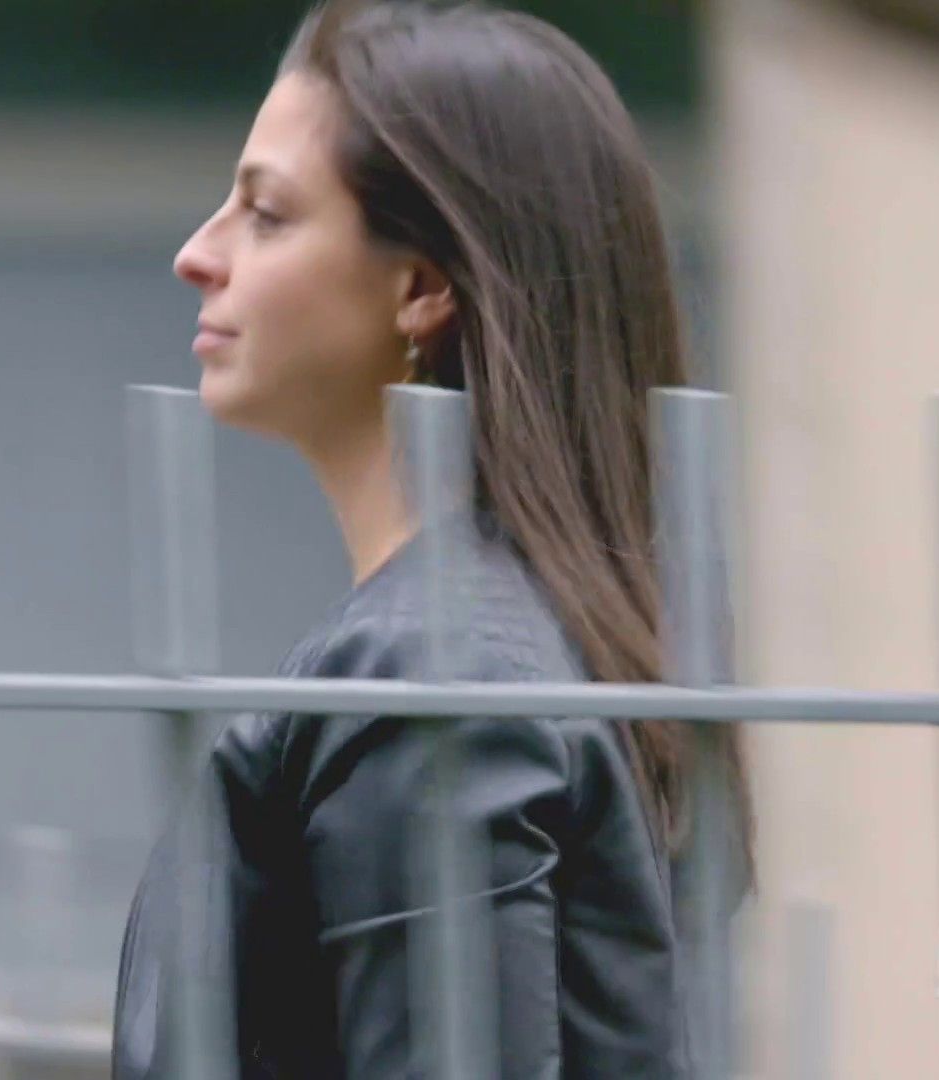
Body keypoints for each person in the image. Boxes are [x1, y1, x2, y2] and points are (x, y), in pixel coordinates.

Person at [112, 1, 756, 1076]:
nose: (197, 254)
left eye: (266, 214)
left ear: (419, 289)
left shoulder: (430, 678)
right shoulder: (562, 647)